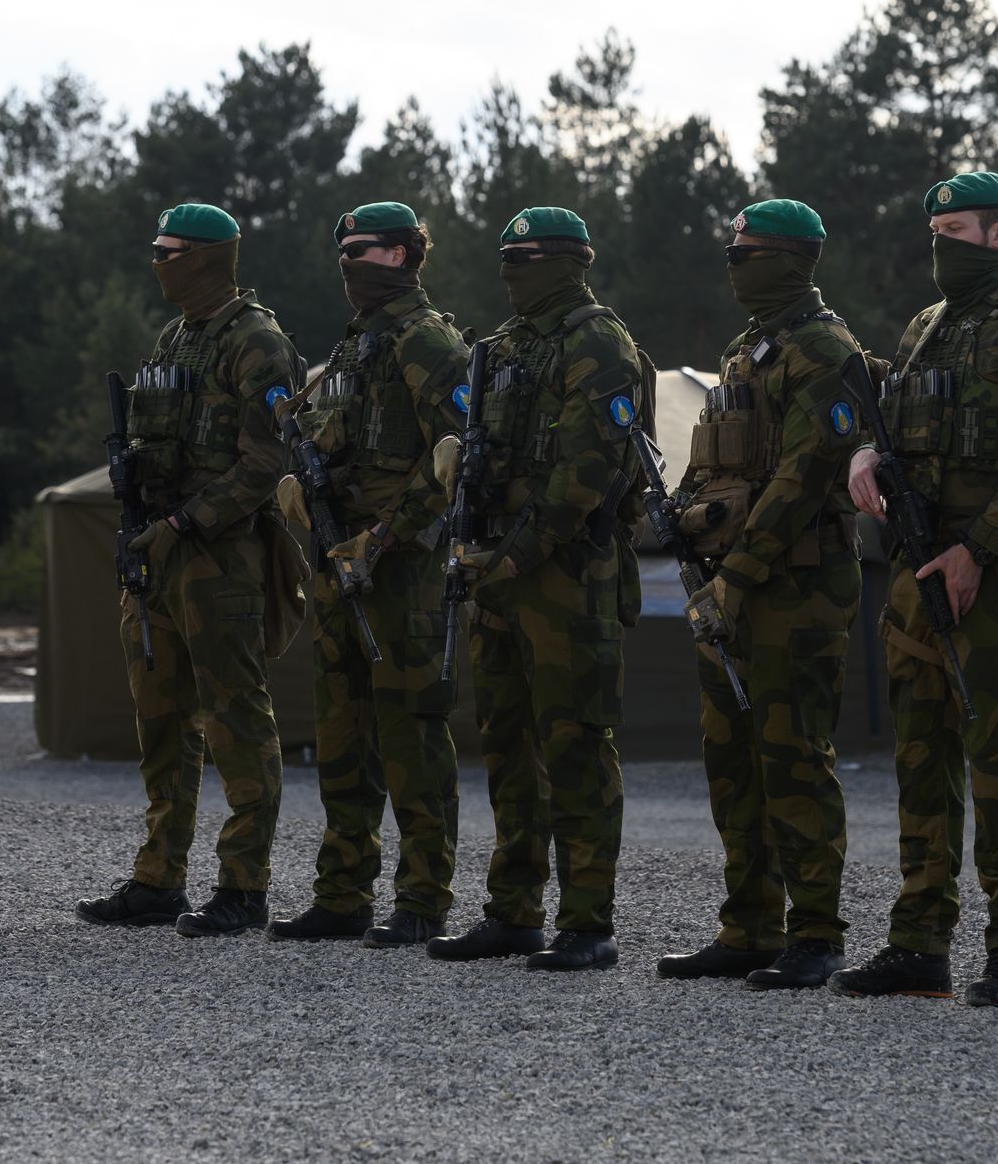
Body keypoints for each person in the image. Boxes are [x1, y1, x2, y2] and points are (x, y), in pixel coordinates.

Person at [833, 171, 998, 1007]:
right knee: (920, 761)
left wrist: (978, 550)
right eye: (935, 232)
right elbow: (894, 427)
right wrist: (865, 455)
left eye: (958, 232)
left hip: (995, 580)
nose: (942, 246)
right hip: (916, 570)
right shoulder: (923, 328)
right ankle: (919, 942)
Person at [654, 199, 867, 990]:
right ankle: (748, 926)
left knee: (793, 757)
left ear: (786, 259)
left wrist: (737, 578)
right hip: (730, 585)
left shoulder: (826, 350)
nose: (734, 265)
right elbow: (720, 462)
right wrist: (684, 515)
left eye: (746, 253)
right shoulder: (747, 351)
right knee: (733, 757)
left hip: (795, 588)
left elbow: (804, 478)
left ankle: (815, 932)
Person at [425, 206, 644, 972]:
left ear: (567, 262)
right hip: (497, 575)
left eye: (527, 258)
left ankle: (587, 920)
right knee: (508, 745)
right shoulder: (503, 347)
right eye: (506, 257)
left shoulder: (599, 342)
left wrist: (515, 556)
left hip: (566, 578)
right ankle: (513, 910)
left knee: (576, 746)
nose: (512, 270)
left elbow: (587, 472)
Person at [76, 204, 300, 937]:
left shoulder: (257, 341)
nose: (158, 262)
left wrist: (184, 522)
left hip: (219, 559)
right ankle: (158, 877)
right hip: (158, 555)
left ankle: (243, 885)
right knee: (162, 720)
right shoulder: (176, 338)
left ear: (204, 258)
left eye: (168, 251)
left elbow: (267, 462)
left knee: (236, 719)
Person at [269, 201, 468, 947]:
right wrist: (303, 489)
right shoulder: (355, 347)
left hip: (401, 570)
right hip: (336, 559)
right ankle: (342, 892)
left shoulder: (427, 341)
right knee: (341, 732)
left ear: (404, 255)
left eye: (365, 249)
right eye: (344, 249)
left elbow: (455, 456)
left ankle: (423, 896)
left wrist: (382, 538)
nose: (349, 261)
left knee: (411, 734)